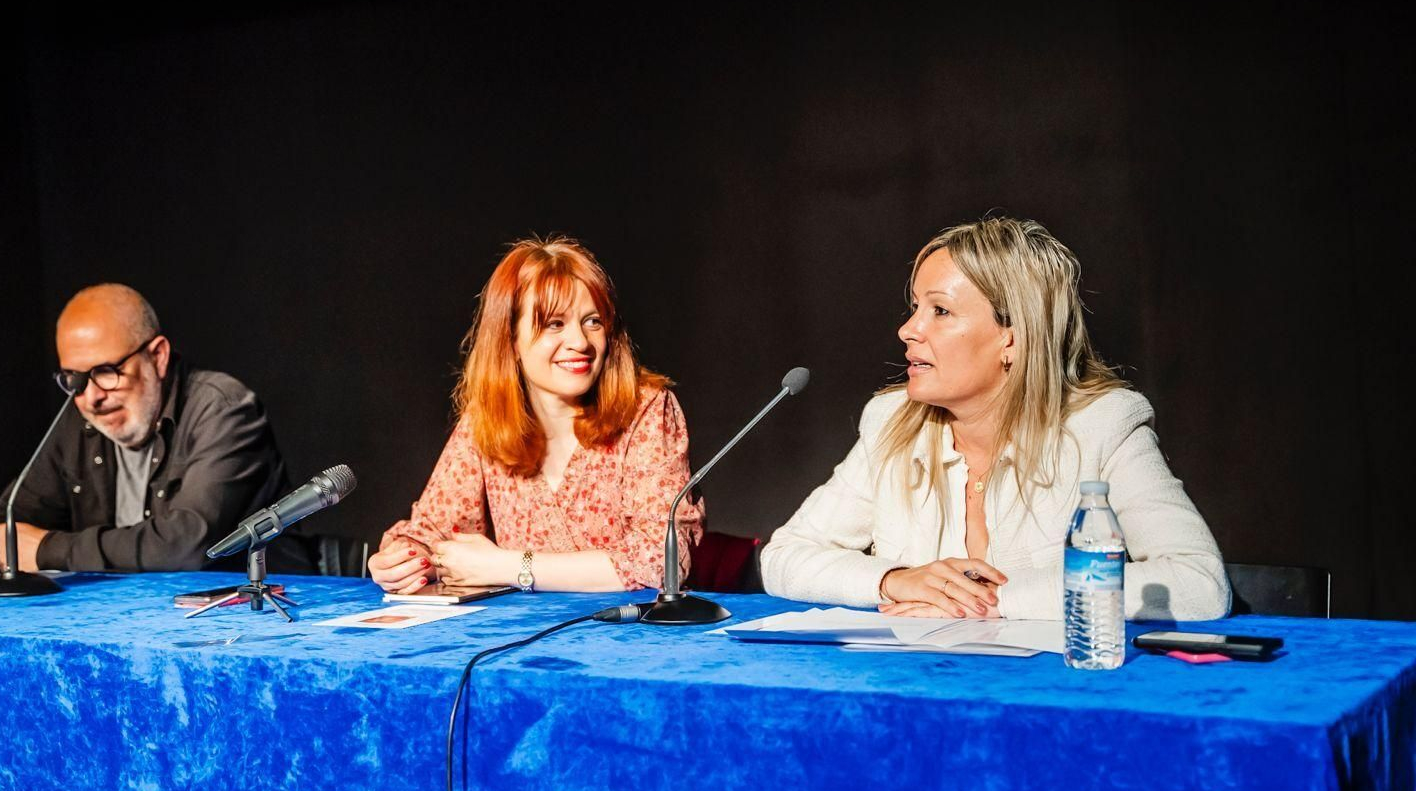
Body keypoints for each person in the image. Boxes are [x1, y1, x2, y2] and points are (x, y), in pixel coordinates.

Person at [761, 217, 1229, 621]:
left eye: (940, 310)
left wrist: (994, 600)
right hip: (915, 689)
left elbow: (1197, 583)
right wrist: (894, 579)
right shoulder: (892, 423)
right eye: (915, 308)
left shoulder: (1103, 426)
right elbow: (785, 558)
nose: (908, 330)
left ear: (1013, 339)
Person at [369, 236, 702, 594]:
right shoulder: (487, 419)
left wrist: (509, 566)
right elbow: (431, 533)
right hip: (521, 641)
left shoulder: (647, 409)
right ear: (510, 339)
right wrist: (402, 561)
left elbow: (662, 561)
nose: (580, 342)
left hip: (629, 639)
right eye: (555, 324)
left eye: (593, 321)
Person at [0, 283, 298, 576]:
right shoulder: (80, 415)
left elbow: (189, 544)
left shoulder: (224, 409)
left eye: (107, 372)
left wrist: (50, 550)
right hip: (134, 622)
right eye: (74, 379)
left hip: (248, 623)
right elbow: (16, 517)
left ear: (157, 356)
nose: (91, 397)